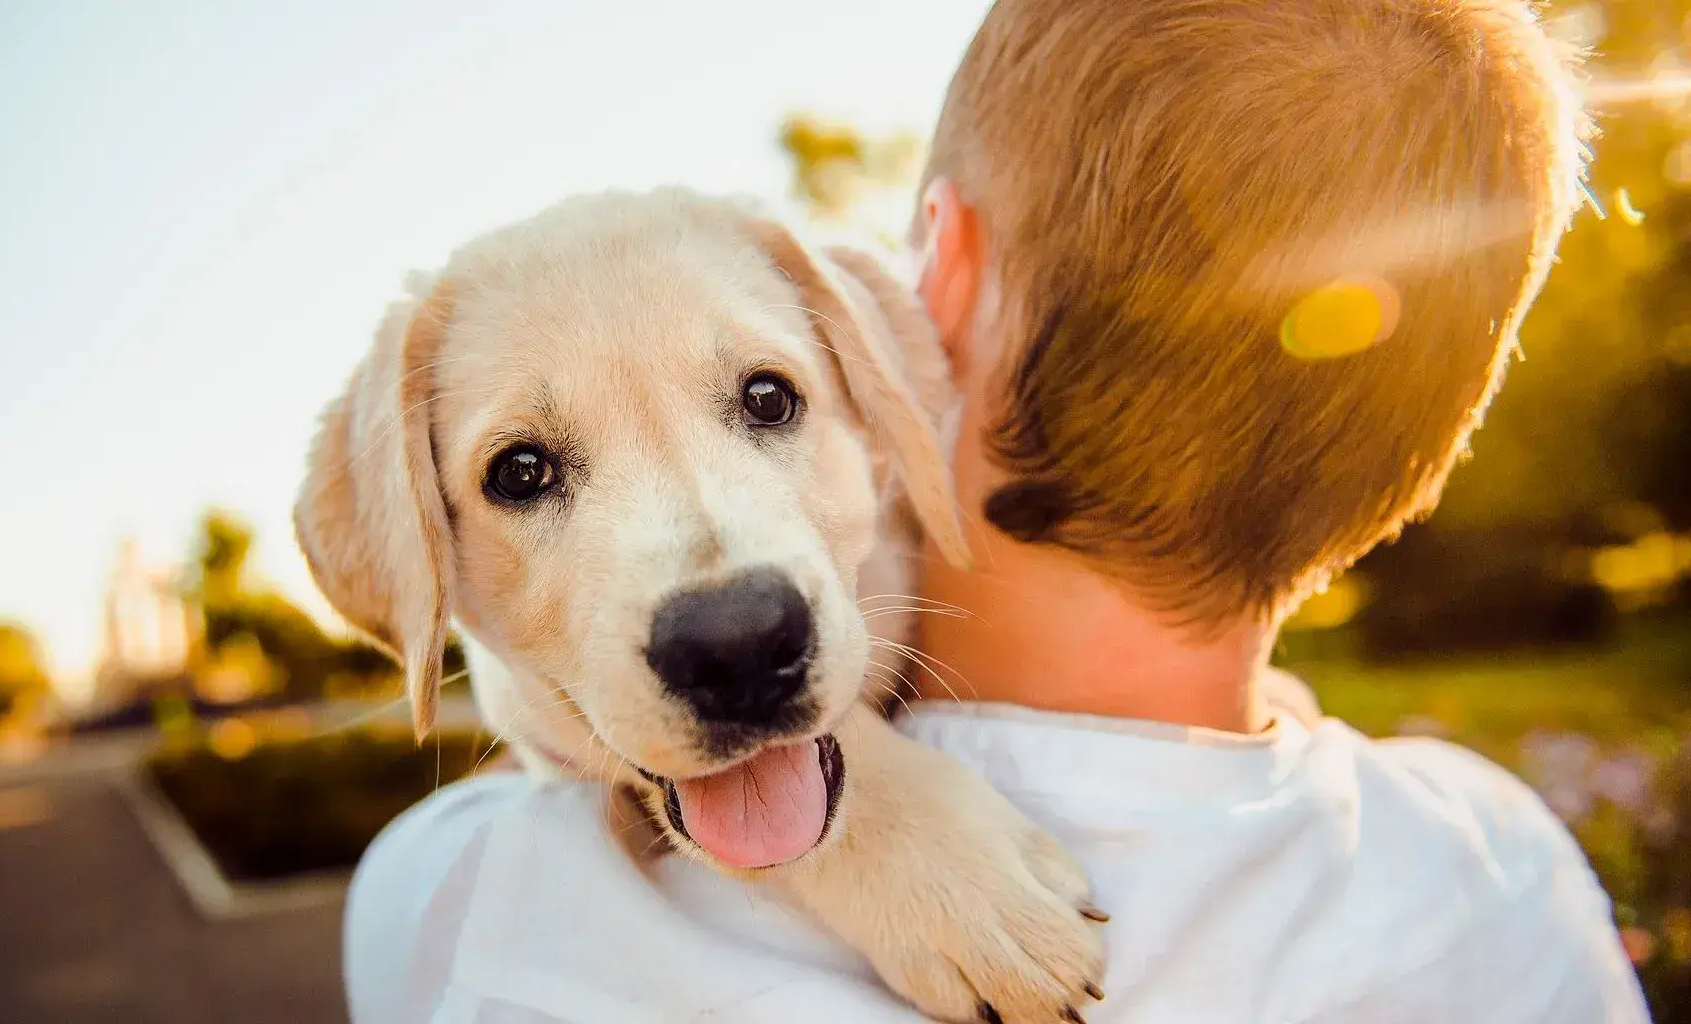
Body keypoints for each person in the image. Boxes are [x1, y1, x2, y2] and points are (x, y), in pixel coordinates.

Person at [342, 0, 1649, 1020]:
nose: (723, 588)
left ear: (935, 284)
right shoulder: (1510, 881)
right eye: (526, 472)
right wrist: (861, 818)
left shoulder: (465, 911)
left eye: (762, 397)